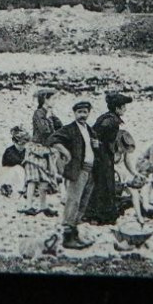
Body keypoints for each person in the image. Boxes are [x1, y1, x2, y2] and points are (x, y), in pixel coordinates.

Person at [49, 100, 96, 249]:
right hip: (77, 170)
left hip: (90, 171)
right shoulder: (69, 129)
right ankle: (67, 238)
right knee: (73, 202)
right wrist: (65, 152)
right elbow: (52, 139)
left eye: (85, 112)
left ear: (89, 113)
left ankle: (75, 235)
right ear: (74, 113)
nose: (82, 115)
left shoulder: (89, 129)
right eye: (79, 112)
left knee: (82, 204)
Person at [84, 92, 133, 225]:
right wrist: (100, 145)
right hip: (103, 156)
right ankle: (102, 215)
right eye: (123, 107)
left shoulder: (106, 117)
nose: (125, 109)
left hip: (101, 154)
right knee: (104, 185)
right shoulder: (111, 121)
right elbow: (98, 134)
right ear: (117, 108)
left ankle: (92, 213)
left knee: (99, 184)